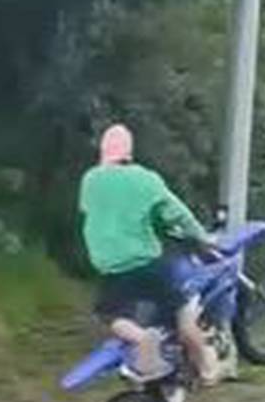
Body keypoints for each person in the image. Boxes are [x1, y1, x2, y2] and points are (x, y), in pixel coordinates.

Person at [79, 124, 221, 384]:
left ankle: (142, 339)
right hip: (147, 263)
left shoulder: (90, 180)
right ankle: (208, 367)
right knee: (184, 313)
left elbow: (100, 214)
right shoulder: (146, 179)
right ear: (129, 152)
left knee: (110, 315)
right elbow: (175, 213)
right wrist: (202, 238)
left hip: (110, 267)